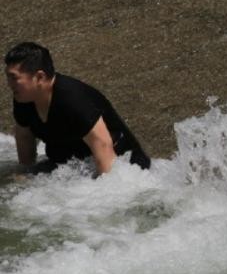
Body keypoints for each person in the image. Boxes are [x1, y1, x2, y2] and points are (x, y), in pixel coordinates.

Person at [5, 42, 150, 175]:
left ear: (39, 77)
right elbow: (24, 137)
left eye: (13, 77)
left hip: (124, 165)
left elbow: (103, 145)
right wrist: (25, 175)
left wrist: (102, 191)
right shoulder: (24, 98)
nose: (8, 83)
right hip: (71, 165)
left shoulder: (72, 99)